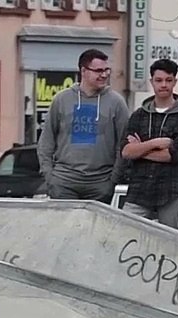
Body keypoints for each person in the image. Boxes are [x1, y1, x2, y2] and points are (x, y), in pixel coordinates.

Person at [36, 48, 130, 204]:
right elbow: (46, 141)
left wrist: (113, 180)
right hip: (64, 181)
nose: (104, 75)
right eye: (99, 70)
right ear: (84, 71)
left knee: (94, 229)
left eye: (107, 70)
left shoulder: (117, 102)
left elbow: (124, 144)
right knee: (66, 228)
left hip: (100, 183)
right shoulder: (61, 99)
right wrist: (49, 176)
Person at [118, 58, 178, 228]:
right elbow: (126, 152)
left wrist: (140, 150)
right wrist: (156, 143)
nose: (163, 85)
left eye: (168, 80)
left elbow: (175, 155)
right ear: (151, 81)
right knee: (126, 229)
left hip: (171, 189)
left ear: (175, 81)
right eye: (159, 80)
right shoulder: (139, 115)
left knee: (171, 238)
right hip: (140, 187)